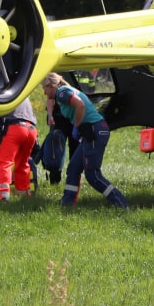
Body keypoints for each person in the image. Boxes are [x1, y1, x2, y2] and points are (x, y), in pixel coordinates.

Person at [41, 72, 128, 208]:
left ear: (51, 86)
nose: (44, 92)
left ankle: (120, 203)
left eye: (44, 88)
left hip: (94, 131)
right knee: (73, 168)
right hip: (93, 130)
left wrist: (76, 126)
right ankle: (67, 203)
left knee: (93, 175)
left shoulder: (62, 92)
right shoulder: (63, 92)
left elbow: (80, 105)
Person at [0, 96, 39, 201]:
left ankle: (1, 196)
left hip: (15, 128)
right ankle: (23, 195)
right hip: (31, 131)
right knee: (22, 164)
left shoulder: (6, 91)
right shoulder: (23, 91)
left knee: (5, 163)